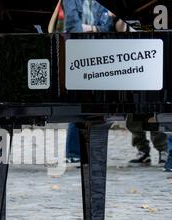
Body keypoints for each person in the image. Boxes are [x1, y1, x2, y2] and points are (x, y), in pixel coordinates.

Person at [63, 0, 113, 165]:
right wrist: (94, 29)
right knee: (78, 102)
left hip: (98, 51)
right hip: (77, 50)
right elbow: (72, 25)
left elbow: (107, 27)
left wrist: (90, 28)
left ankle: (91, 150)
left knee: (94, 104)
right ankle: (73, 151)